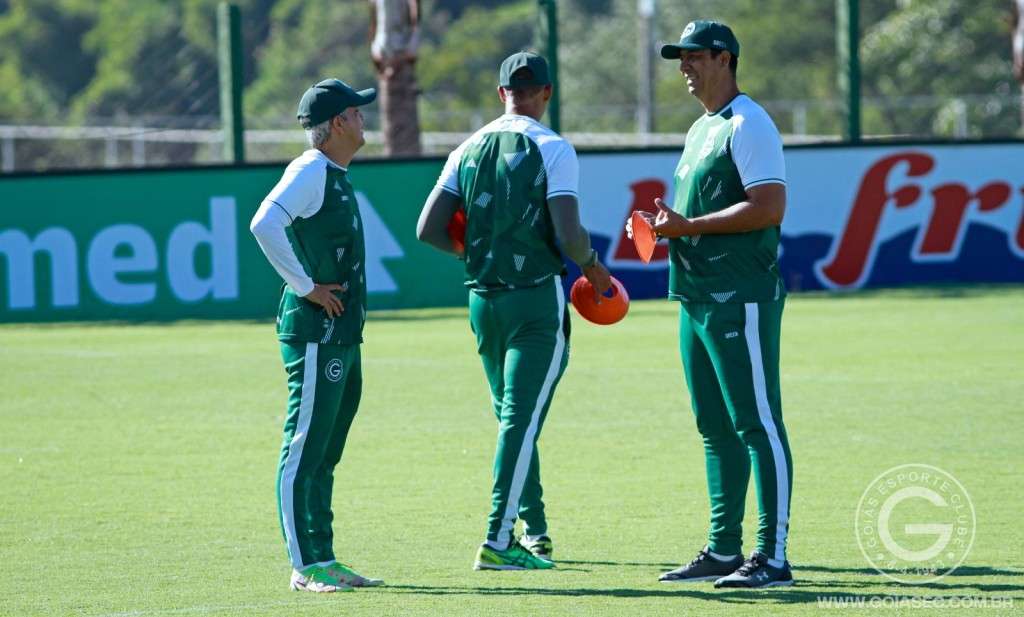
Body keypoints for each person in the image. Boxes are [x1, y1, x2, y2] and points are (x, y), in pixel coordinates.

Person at [416, 51, 612, 571]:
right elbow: (570, 235)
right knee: (520, 424)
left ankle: (536, 532)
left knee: (512, 422)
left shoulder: (467, 147)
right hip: (533, 303)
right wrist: (594, 268)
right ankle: (499, 542)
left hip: (482, 300)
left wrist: (473, 252)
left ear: (500, 93)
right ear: (547, 92)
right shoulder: (553, 147)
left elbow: (427, 230)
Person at [633, 20, 794, 588]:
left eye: (695, 56)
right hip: (696, 297)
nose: (684, 66)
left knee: (757, 424)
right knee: (714, 427)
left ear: (725, 59)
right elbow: (696, 216)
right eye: (680, 57)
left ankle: (772, 556)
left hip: (740, 295)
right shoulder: (703, 127)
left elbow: (770, 205)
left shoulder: (750, 123)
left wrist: (689, 225)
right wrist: (666, 228)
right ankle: (724, 549)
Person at [250, 78, 385, 593]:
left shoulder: (333, 172)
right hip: (313, 331)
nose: (363, 119)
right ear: (336, 125)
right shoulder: (309, 170)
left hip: (341, 332)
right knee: (304, 447)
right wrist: (305, 287)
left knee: (326, 449)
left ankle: (324, 557)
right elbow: (264, 224)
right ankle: (303, 566)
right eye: (356, 112)